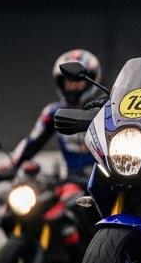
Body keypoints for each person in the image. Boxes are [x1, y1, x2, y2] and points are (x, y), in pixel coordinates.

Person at [10, 49, 104, 179]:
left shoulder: (106, 108)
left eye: (78, 81)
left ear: (90, 81)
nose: (73, 85)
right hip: (69, 182)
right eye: (68, 81)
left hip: (105, 180)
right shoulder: (52, 112)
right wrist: (11, 165)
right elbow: (32, 142)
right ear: (61, 83)